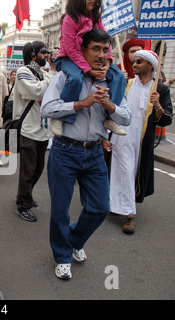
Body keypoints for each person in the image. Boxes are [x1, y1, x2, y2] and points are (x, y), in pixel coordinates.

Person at [41, 28, 132, 280]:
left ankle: (73, 239)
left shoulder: (112, 81)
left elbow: (127, 117)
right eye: (96, 49)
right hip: (65, 150)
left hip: (94, 153)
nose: (102, 55)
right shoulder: (67, 77)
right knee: (60, 209)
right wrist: (83, 102)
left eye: (105, 50)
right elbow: (47, 108)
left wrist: (109, 105)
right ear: (83, 51)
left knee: (100, 207)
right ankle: (62, 256)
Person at [109, 50, 173, 234]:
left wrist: (158, 105)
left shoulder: (160, 89)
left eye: (139, 62)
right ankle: (116, 205)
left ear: (150, 66)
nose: (134, 64)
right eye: (134, 61)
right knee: (117, 172)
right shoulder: (127, 84)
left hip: (141, 141)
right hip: (120, 137)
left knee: (130, 174)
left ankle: (129, 215)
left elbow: (166, 119)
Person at [51, 0, 127, 137]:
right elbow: (71, 50)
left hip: (87, 58)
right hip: (68, 57)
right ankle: (60, 117)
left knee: (119, 76)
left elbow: (105, 41)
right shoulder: (69, 19)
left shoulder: (95, 17)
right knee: (75, 78)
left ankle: (109, 118)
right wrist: (88, 70)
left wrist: (108, 62)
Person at [14, 41, 56, 222]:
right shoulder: (23, 72)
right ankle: (23, 205)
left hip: (42, 130)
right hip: (28, 129)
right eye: (43, 52)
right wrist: (52, 73)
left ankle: (26, 195)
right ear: (33, 55)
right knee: (28, 170)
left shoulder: (42, 73)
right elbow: (38, 92)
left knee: (38, 168)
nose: (46, 56)